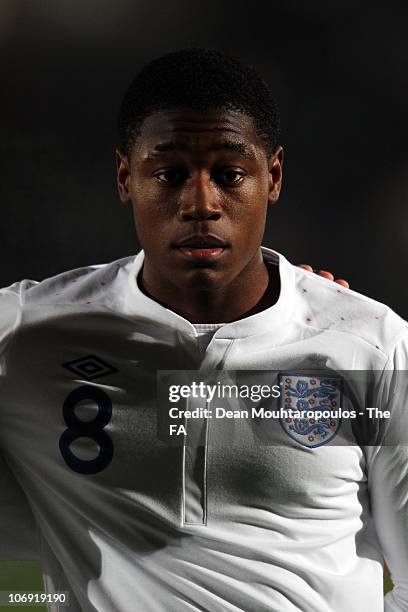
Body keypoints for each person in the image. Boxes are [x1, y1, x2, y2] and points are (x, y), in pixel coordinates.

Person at [0, 48, 406, 612]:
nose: (200, 203)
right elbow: (13, 578)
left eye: (230, 174)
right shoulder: (26, 333)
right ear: (125, 178)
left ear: (274, 177)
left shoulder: (372, 343)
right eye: (168, 174)